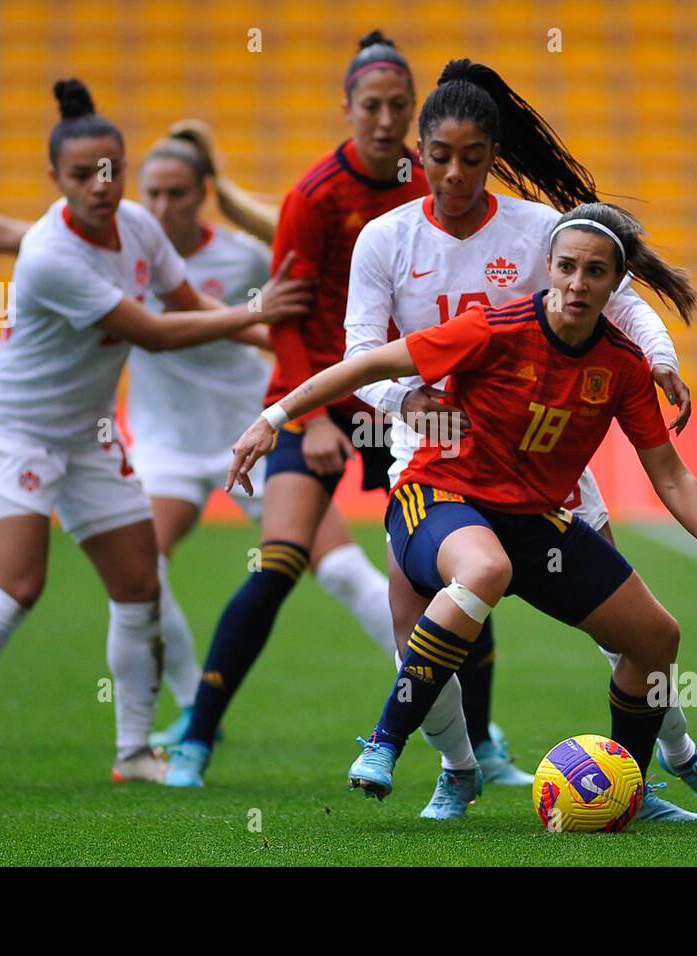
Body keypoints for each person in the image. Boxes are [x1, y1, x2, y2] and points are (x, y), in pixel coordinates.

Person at [0, 119, 400, 750]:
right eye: (154, 193)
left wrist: (317, 377)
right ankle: (192, 705)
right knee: (134, 575)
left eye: (177, 193)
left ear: (202, 193)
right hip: (155, 444)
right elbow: (19, 242)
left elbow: (280, 312)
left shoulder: (222, 253)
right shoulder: (90, 246)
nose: (161, 206)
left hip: (246, 435)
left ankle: (441, 705)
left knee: (339, 569)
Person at [228, 202, 697, 821]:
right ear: (549, 268)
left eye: (594, 273)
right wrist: (273, 419)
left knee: (655, 635)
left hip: (536, 520)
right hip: (437, 494)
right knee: (481, 572)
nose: (576, 284)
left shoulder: (620, 366)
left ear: (613, 284)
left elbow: (669, 472)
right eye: (566, 267)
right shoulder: (493, 328)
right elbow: (370, 362)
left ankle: (629, 789)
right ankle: (389, 745)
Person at [342, 58, 697, 819]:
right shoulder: (385, 239)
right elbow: (361, 350)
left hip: (550, 468)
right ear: (418, 153)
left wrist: (660, 362)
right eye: (440, 158)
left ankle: (672, 762)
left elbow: (624, 302)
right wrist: (407, 399)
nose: (456, 174)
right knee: (421, 644)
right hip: (436, 461)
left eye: (473, 159)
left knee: (632, 634)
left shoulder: (541, 232)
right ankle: (460, 768)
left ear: (494, 156)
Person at [0, 78, 310, 783]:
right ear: (54, 179)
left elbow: (185, 301)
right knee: (19, 584)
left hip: (88, 432)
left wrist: (285, 349)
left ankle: (132, 751)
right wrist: (255, 312)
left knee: (140, 583)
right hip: (14, 429)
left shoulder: (140, 227)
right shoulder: (52, 255)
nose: (101, 185)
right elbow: (152, 332)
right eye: (82, 175)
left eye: (110, 170)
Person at [164, 30, 510, 790]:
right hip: (320, 396)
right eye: (371, 106)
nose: (385, 120)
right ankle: (196, 736)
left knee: (465, 569)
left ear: (414, 112)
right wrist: (314, 418)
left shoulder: (440, 182)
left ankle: (481, 745)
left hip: (410, 406)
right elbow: (284, 316)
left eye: (397, 107)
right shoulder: (316, 196)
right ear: (346, 107)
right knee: (280, 561)